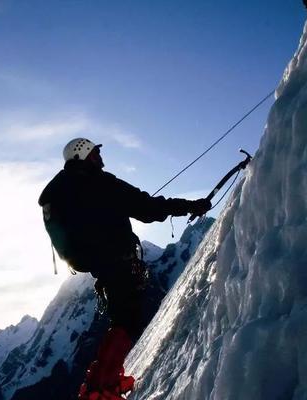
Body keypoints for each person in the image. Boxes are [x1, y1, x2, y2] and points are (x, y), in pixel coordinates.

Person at [38, 138, 211, 400]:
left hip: (96, 264)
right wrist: (189, 205)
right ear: (85, 156)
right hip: (117, 258)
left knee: (121, 319)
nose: (100, 157)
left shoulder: (61, 190)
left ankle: (103, 380)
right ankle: (100, 389)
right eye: (95, 153)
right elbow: (148, 208)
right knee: (128, 321)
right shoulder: (100, 183)